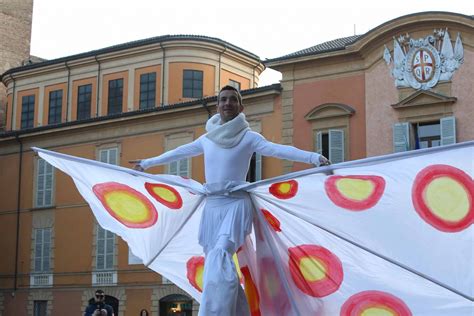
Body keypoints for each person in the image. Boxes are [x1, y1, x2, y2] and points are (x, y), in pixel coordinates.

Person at [129, 85, 330, 316]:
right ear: (217, 106)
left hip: (236, 202)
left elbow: (279, 150)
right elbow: (180, 152)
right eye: (223, 99)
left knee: (221, 255)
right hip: (212, 206)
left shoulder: (249, 137)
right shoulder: (207, 139)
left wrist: (313, 157)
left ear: (240, 106)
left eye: (232, 100)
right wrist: (147, 163)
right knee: (218, 266)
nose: (227, 103)